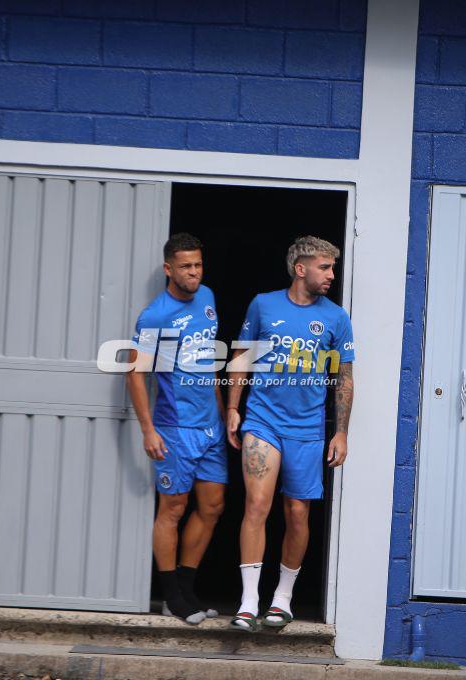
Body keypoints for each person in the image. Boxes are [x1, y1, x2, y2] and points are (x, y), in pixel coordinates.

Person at [225, 236, 355, 631]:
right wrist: (233, 407)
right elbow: (241, 357)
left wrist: (342, 433)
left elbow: (344, 379)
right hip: (262, 421)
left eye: (333, 268)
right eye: (324, 267)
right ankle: (248, 602)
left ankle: (282, 599)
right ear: (301, 269)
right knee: (256, 506)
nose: (331, 275)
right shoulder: (263, 304)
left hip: (308, 430)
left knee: (297, 513)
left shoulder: (336, 317)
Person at [125, 233, 227, 625]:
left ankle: (186, 589)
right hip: (175, 426)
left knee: (213, 506)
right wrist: (148, 430)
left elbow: (210, 360)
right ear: (169, 269)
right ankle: (171, 596)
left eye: (198, 265)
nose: (194, 273)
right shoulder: (156, 315)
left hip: (210, 427)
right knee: (174, 508)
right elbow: (135, 375)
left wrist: (221, 413)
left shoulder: (208, 298)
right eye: (186, 266)